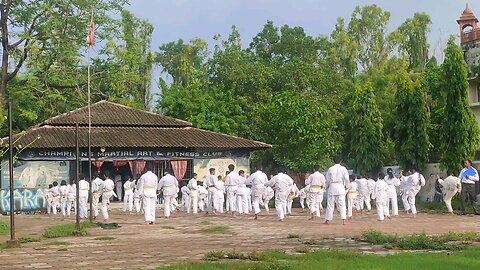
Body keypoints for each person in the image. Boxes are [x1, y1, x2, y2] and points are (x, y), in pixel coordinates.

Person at [324, 156, 349, 225]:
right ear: (340, 161)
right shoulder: (343, 168)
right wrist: (347, 186)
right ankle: (344, 220)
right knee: (342, 204)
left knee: (330, 204)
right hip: (340, 186)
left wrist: (326, 187)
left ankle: (328, 220)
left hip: (332, 186)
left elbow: (327, 180)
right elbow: (347, 178)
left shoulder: (330, 169)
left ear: (333, 161)